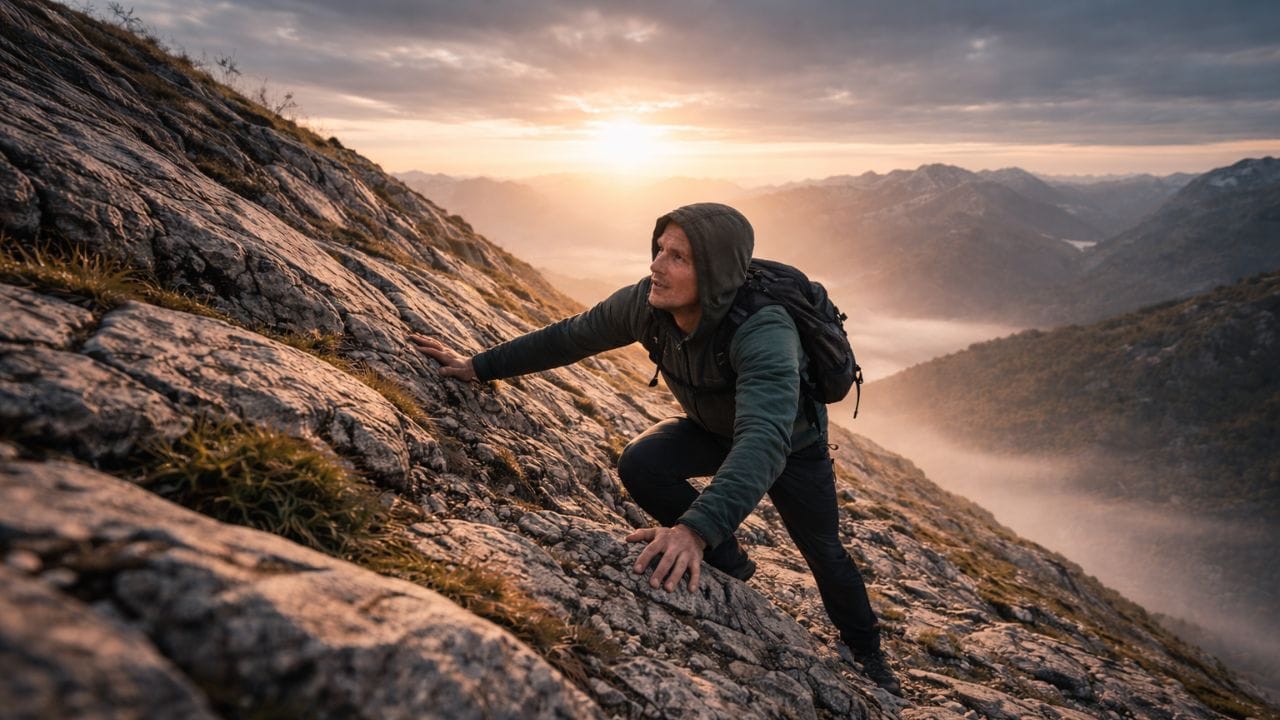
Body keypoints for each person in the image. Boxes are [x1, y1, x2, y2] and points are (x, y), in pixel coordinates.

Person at [411, 202, 901, 694]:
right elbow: (569, 337)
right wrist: (480, 366)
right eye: (660, 249)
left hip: (789, 444)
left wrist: (695, 530)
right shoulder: (646, 305)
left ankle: (868, 652)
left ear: (713, 274)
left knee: (823, 551)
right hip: (710, 428)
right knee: (642, 462)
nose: (656, 265)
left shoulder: (764, 332)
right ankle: (731, 564)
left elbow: (764, 440)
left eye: (678, 257)